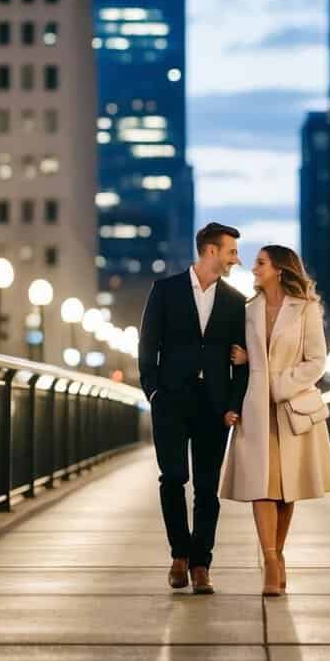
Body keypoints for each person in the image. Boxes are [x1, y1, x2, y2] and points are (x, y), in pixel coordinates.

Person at [138, 222, 248, 595]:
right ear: (211, 251)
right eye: (232, 251)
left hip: (214, 406)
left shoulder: (235, 301)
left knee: (206, 488)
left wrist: (233, 405)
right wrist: (153, 390)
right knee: (172, 478)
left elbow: (241, 361)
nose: (237, 258)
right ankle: (178, 555)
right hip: (170, 399)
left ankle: (201, 564)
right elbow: (147, 344)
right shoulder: (165, 290)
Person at [220, 244, 330, 596]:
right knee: (262, 486)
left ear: (280, 270)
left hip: (290, 407)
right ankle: (270, 560)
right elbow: (246, 353)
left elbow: (316, 361)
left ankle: (278, 554)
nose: (253, 268)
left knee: (286, 491)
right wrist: (243, 361)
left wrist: (277, 385)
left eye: (260, 263)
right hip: (255, 409)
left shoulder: (307, 309)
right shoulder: (248, 308)